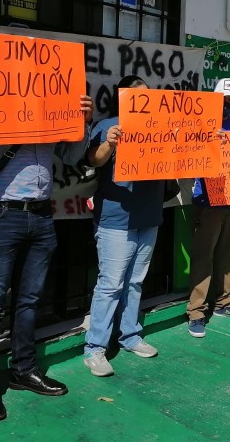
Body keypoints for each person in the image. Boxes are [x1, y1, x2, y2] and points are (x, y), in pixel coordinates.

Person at [0, 85, 93, 421]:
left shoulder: (53, 108)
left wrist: (83, 122)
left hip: (40, 215)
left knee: (30, 299)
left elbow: (69, 157)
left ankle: (24, 369)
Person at [83, 75, 165, 377]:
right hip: (116, 219)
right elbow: (94, 159)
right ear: (124, 99)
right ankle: (95, 348)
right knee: (111, 284)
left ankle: (130, 335)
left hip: (149, 216)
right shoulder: (108, 126)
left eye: (148, 95)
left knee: (134, 282)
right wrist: (110, 144)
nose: (145, 100)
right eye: (138, 95)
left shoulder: (162, 127)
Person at [186, 78, 230, 338]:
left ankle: (226, 302)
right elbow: (186, 154)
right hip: (208, 200)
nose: (227, 104)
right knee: (204, 256)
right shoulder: (198, 121)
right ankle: (196, 312)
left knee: (228, 255)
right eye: (223, 99)